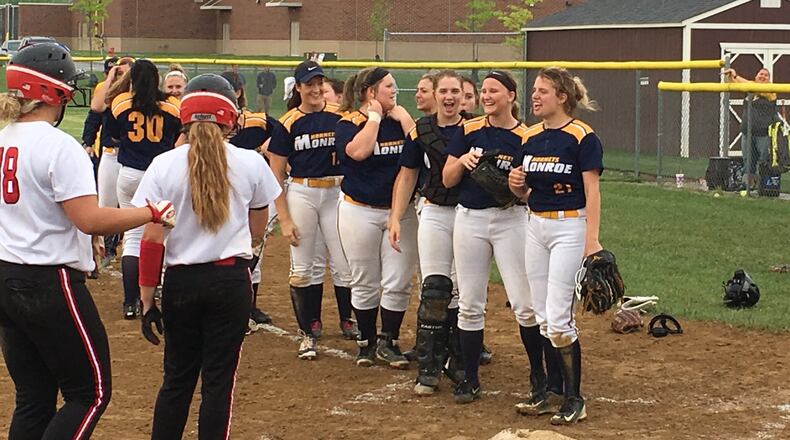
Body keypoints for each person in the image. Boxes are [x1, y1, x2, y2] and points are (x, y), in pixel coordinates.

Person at [0, 43, 175, 440]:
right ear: (52, 93)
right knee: (90, 393)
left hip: (6, 273)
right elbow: (91, 220)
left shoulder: (4, 136)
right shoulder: (58, 145)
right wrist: (149, 212)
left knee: (34, 396)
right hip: (47, 280)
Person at [134, 74, 280, 439]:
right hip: (230, 280)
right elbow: (258, 227)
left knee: (177, 380)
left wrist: (147, 298)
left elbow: (152, 238)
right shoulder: (250, 162)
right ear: (229, 117)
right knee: (218, 383)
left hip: (182, 281)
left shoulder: (164, 165)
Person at [508, 66, 603, 425]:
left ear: (562, 97)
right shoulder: (530, 137)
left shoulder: (582, 136)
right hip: (536, 225)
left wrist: (591, 240)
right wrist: (517, 184)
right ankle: (551, 392)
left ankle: (575, 398)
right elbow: (524, 190)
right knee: (543, 316)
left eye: (543, 91)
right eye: (535, 90)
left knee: (560, 320)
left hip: (570, 227)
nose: (535, 96)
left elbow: (592, 190)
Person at [442, 70, 539, 405]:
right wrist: (464, 162)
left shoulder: (527, 136)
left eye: (493, 91)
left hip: (510, 220)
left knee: (524, 304)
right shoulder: (468, 130)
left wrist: (518, 188)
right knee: (470, 303)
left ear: (511, 96)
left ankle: (538, 377)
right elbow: (447, 178)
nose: (486, 96)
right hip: (469, 220)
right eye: (483, 91)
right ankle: (470, 379)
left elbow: (529, 193)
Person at [268, 61, 358, 360]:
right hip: (304, 192)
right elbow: (276, 173)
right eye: (310, 84)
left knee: (345, 261)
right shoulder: (289, 122)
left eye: (320, 83)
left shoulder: (340, 116)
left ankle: (350, 320)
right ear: (298, 88)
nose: (317, 89)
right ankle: (307, 332)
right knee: (304, 265)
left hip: (337, 191)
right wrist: (283, 217)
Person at [388, 70, 470, 395]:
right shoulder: (420, 131)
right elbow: (407, 175)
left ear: (463, 96)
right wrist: (396, 216)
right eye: (444, 91)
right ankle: (430, 365)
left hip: (468, 213)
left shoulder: (475, 127)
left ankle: (459, 358)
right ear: (435, 94)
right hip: (435, 210)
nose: (449, 97)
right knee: (434, 287)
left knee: (463, 291)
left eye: (455, 91)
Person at [335, 67, 418, 368]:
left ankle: (389, 341)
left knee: (398, 280)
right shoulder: (349, 123)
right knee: (364, 279)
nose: (394, 91)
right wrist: (374, 117)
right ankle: (366, 342)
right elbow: (358, 152)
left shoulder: (401, 123)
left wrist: (406, 120)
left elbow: (423, 149)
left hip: (401, 211)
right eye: (388, 87)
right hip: (360, 210)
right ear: (370, 93)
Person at [109, 59, 182, 319]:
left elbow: (113, 136)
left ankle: (130, 302)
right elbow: (177, 137)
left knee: (133, 240)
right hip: (160, 174)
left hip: (129, 174)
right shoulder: (171, 106)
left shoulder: (121, 103)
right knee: (163, 235)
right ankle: (156, 291)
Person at [220, 69, 282, 330]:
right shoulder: (213, 122)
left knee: (253, 250)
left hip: (249, 191)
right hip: (222, 192)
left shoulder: (257, 120)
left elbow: (283, 135)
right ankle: (234, 307)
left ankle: (248, 305)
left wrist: (261, 149)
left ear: (238, 93)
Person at [85, 56, 134, 267]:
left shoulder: (140, 95)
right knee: (105, 203)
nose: (121, 77)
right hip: (111, 153)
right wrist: (88, 141)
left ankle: (129, 249)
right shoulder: (109, 93)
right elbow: (95, 111)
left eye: (125, 73)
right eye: (117, 72)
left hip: (133, 156)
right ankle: (105, 249)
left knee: (130, 206)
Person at [723, 67, 779, 190]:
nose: (763, 76)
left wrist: (736, 76)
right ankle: (747, 186)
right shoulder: (750, 88)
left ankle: (764, 187)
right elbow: (735, 83)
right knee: (748, 160)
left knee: (764, 159)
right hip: (747, 132)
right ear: (756, 76)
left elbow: (752, 86)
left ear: (769, 80)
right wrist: (731, 76)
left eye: (766, 75)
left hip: (763, 133)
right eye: (761, 74)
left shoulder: (771, 91)